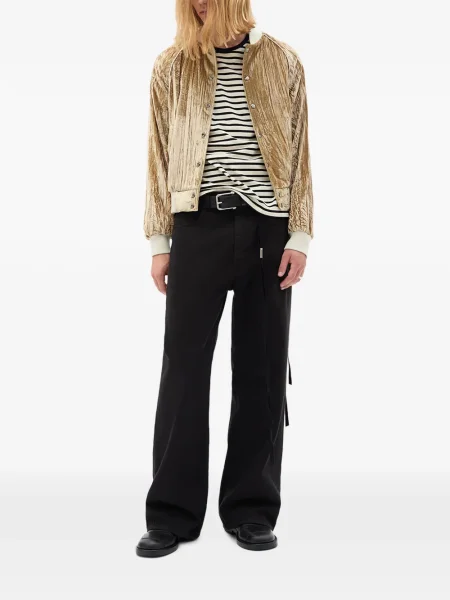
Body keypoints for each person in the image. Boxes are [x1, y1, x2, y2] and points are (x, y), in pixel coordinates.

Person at [136, 0, 314, 558]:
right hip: (197, 227)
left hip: (268, 230)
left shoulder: (283, 61)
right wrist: (160, 242)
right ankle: (171, 514)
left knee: (262, 370)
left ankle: (252, 509)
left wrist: (300, 235)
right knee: (184, 371)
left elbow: (301, 152)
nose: (199, 2)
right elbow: (158, 155)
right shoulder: (172, 65)